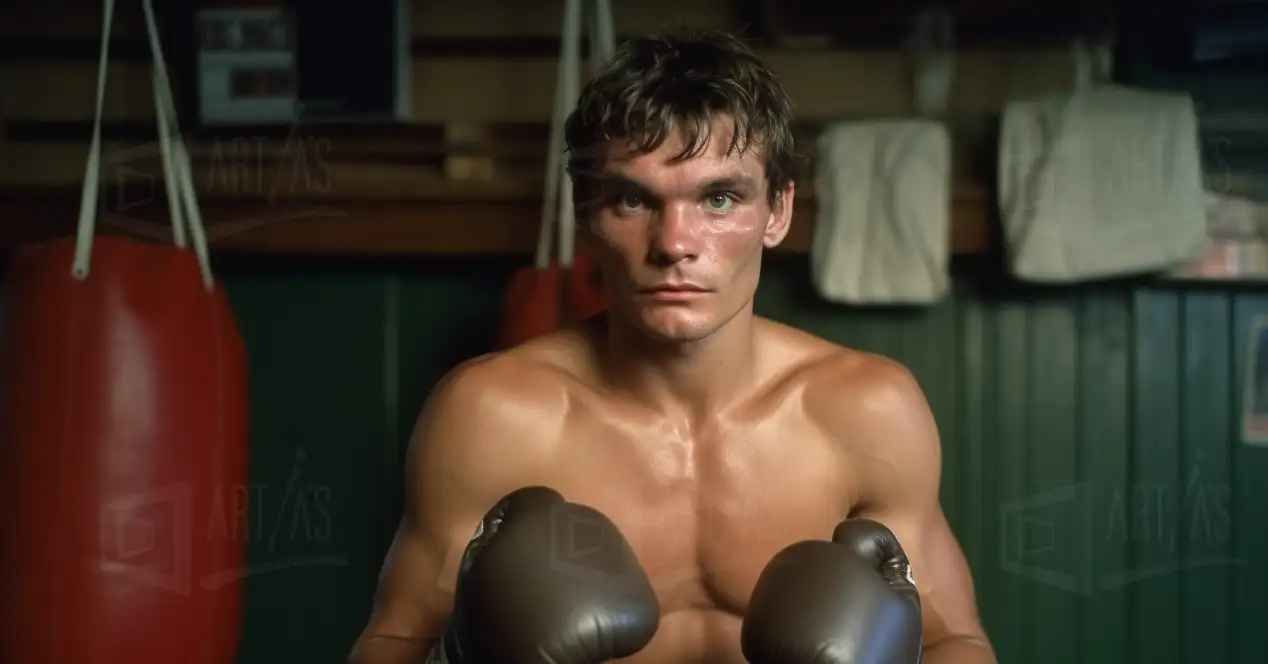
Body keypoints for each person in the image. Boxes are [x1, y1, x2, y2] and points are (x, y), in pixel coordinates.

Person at [349, 30, 996, 664]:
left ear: (778, 212)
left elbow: (956, 642)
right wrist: (461, 655)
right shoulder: (494, 416)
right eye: (633, 199)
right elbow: (391, 641)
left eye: (719, 198)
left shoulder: (865, 409)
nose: (675, 243)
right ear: (586, 210)